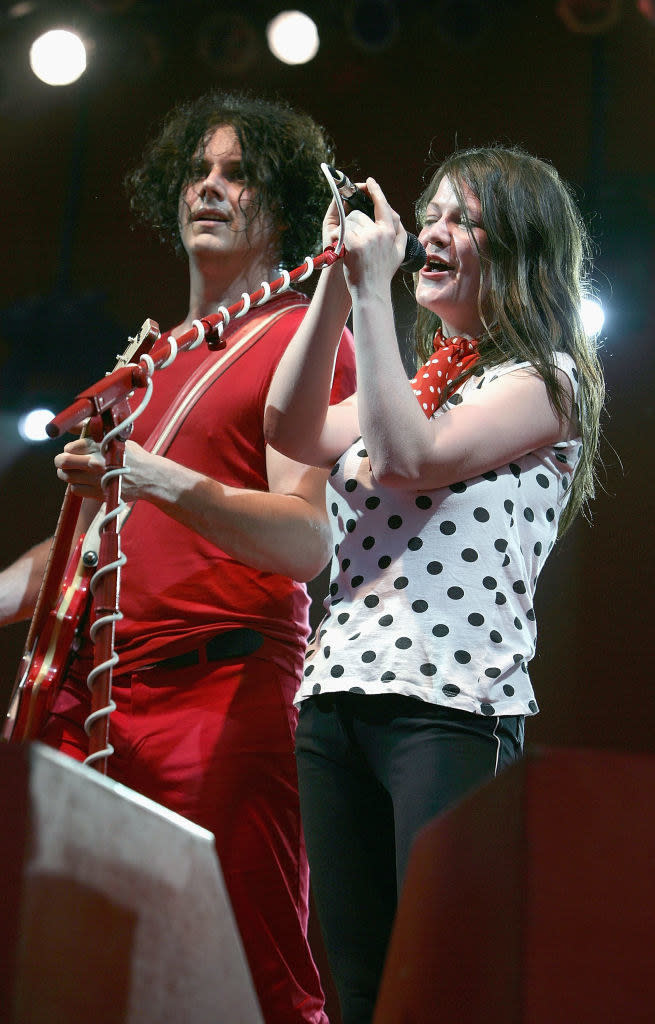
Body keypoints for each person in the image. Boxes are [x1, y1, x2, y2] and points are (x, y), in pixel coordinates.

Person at [0, 91, 355, 1024]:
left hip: (221, 701)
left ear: (280, 204)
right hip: (96, 711)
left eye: (238, 174)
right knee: (81, 981)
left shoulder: (300, 338)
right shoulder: (148, 363)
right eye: (197, 173)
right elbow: (89, 551)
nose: (211, 187)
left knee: (250, 979)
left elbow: (304, 539)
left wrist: (160, 480)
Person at [264, 144, 605, 1023]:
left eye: (463, 219)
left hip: (448, 706)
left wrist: (374, 293)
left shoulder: (545, 380)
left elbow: (413, 458)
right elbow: (292, 426)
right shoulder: (415, 382)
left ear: (519, 247)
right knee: (363, 983)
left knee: (444, 981)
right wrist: (339, 284)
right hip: (335, 695)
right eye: (432, 215)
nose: (433, 234)